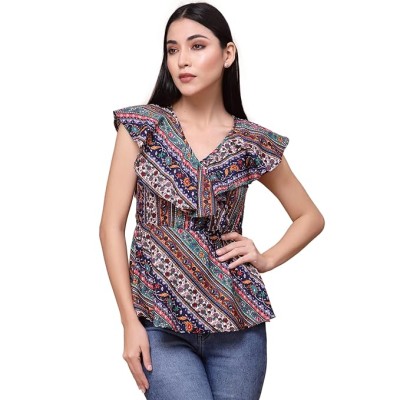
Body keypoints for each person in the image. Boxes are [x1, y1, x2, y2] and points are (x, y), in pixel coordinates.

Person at [99, 2, 325, 399]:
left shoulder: (251, 141)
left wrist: (266, 258)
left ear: (228, 54)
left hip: (239, 326)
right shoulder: (142, 127)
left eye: (197, 46)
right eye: (172, 49)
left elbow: (309, 216)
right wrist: (129, 322)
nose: (182, 60)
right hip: (158, 321)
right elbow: (110, 228)